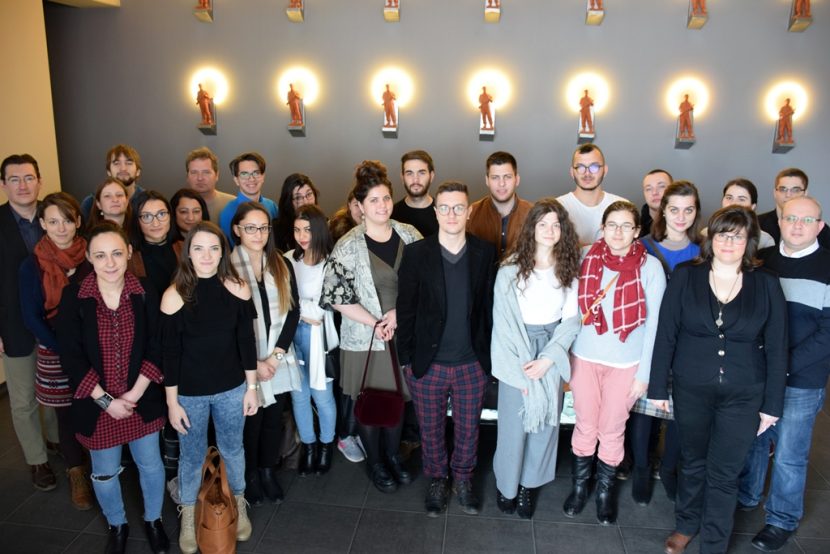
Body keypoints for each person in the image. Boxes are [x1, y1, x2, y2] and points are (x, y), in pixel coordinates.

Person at [649, 206, 787, 554]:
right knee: (693, 462)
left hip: (744, 393)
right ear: (711, 238)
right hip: (691, 388)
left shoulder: (766, 283)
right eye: (723, 234)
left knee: (725, 471)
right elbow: (666, 333)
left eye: (737, 236)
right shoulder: (686, 275)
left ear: (749, 241)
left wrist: (772, 405)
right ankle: (686, 524)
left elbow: (777, 346)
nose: (729, 242)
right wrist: (657, 386)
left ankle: (714, 541)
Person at [56, 222, 169, 554]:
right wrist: (107, 401)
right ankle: (117, 525)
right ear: (89, 257)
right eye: (101, 255)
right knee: (104, 473)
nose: (110, 263)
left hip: (140, 399)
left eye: (117, 253)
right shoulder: (74, 296)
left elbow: (157, 345)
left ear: (129, 253)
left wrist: (133, 395)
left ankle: (153, 520)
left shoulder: (145, 291)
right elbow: (71, 356)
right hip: (96, 404)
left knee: (151, 465)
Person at [321, 160, 422, 493]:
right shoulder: (348, 245)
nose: (382, 205)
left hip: (403, 332)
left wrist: (398, 315)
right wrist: (375, 321)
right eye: (373, 200)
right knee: (370, 402)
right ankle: (376, 462)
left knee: (397, 398)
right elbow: (335, 296)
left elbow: (426, 282)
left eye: (386, 198)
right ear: (360, 207)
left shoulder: (410, 234)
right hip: (365, 336)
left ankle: (392, 455)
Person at [396, 181, 497, 516]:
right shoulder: (416, 254)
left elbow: (490, 309)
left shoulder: (485, 253)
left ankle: (463, 479)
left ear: (468, 212)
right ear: (436, 212)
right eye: (444, 207)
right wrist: (407, 360)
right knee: (431, 429)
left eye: (458, 207)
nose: (451, 214)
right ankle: (438, 479)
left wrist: (488, 360)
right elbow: (406, 310)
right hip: (429, 364)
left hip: (471, 363)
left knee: (469, 429)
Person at [737, 196, 830, 552]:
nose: (797, 226)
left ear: (819, 226)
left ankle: (781, 519)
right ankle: (746, 497)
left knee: (790, 453)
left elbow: (827, 334)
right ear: (779, 222)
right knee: (754, 441)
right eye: (790, 218)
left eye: (806, 220)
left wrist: (781, 365)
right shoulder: (763, 261)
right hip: (759, 373)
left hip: (802, 380)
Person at [564, 200, 665, 525]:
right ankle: (580, 487)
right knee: (585, 425)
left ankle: (605, 492)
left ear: (637, 231)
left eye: (626, 226)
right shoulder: (584, 257)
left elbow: (655, 326)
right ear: (602, 228)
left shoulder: (650, 268)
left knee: (612, 429)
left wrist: (644, 375)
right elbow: (569, 310)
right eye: (612, 225)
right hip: (584, 358)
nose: (618, 232)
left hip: (626, 365)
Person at [160, 221, 258, 553]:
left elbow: (246, 342)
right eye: (199, 248)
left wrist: (252, 387)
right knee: (191, 456)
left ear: (222, 253)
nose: (206, 255)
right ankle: (189, 513)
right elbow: (169, 354)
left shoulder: (238, 288)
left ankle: (238, 503)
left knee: (233, 449)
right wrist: (172, 403)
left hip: (231, 388)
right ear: (188, 253)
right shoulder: (174, 295)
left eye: (214, 248)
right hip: (189, 394)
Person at [492, 198, 581, 520]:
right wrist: (519, 371)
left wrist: (548, 360)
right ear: (531, 228)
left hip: (551, 349)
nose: (549, 230)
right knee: (513, 426)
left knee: (545, 423)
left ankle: (529, 485)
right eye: (543, 224)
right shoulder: (510, 270)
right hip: (516, 350)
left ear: (563, 230)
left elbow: (572, 321)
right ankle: (507, 486)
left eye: (556, 225)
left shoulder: (569, 268)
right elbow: (503, 323)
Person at [19, 192, 94, 511]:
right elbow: (31, 316)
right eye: (53, 221)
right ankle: (77, 474)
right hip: (56, 349)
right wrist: (64, 348)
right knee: (66, 414)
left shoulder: (93, 254)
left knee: (96, 407)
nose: (61, 228)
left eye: (67, 220)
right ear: (42, 224)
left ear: (78, 221)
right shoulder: (32, 264)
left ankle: (102, 467)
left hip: (94, 345)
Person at [630, 181, 702, 505]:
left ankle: (670, 468)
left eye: (688, 210)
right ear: (663, 211)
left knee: (679, 411)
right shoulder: (643, 247)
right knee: (643, 410)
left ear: (696, 212)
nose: (681, 216)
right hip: (648, 338)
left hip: (688, 344)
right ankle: (641, 469)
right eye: (674, 209)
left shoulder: (703, 252)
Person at [230, 202, 301, 504]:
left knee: (274, 420)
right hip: (246, 359)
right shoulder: (226, 266)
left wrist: (275, 357)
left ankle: (268, 471)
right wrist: (256, 363)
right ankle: (250, 476)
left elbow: (293, 311)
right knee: (252, 422)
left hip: (278, 356)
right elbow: (227, 323)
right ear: (237, 230)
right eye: (250, 228)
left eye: (263, 227)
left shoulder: (281, 263)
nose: (258, 234)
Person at [0, 154, 60, 492]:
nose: (23, 185)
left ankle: (55, 440)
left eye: (28, 178)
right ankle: (37, 460)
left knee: (54, 389)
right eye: (14, 179)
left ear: (39, 181)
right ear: (3, 185)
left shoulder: (54, 216)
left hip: (53, 323)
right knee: (23, 399)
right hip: (14, 326)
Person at [285, 205, 339, 477]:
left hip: (318, 339)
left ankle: (326, 444)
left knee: (322, 396)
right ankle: (308, 445)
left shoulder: (331, 263)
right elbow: (281, 302)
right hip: (289, 337)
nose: (302, 236)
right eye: (297, 230)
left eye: (307, 229)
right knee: (299, 395)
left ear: (318, 230)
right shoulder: (288, 260)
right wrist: (302, 308)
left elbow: (321, 310)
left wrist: (298, 308)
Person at [557, 143, 627, 246]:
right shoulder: (558, 207)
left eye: (594, 167)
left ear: (605, 170)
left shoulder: (623, 207)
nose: (587, 173)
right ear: (572, 172)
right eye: (580, 167)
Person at [467, 151, 533, 260]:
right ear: (487, 180)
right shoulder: (471, 212)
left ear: (517, 180)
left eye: (507, 177)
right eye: (495, 177)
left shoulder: (533, 214)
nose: (501, 183)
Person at [757, 168, 830, 248]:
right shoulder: (757, 223)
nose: (788, 195)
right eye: (783, 189)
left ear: (805, 193)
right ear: (775, 193)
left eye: (795, 190)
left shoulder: (819, 228)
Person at [219, 152, 278, 241]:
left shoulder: (272, 206)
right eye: (244, 174)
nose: (251, 179)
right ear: (236, 180)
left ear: (263, 177)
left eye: (256, 173)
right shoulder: (228, 212)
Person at [704, 178, 775, 248]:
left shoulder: (765, 241)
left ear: (752, 206)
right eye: (729, 198)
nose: (733, 203)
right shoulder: (705, 233)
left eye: (741, 199)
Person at [80, 145, 145, 220]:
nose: (123, 168)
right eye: (116, 163)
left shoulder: (147, 200)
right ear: (109, 172)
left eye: (129, 163)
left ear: (138, 171)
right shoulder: (90, 202)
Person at [392, 150, 439, 237]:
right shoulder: (391, 214)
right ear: (402, 178)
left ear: (431, 176)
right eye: (409, 173)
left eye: (421, 173)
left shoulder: (445, 214)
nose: (415, 179)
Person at [273, 173, 319, 252]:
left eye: (309, 194)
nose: (306, 202)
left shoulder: (325, 224)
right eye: (298, 198)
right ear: (288, 202)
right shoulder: (276, 230)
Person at [185, 147, 234, 221]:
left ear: (217, 175)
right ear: (187, 176)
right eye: (194, 172)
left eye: (206, 172)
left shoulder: (233, 204)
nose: (200, 178)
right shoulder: (178, 206)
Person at [639, 169, 673, 238]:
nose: (654, 192)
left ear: (673, 190)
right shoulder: (634, 230)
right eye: (648, 189)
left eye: (661, 186)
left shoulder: (688, 224)